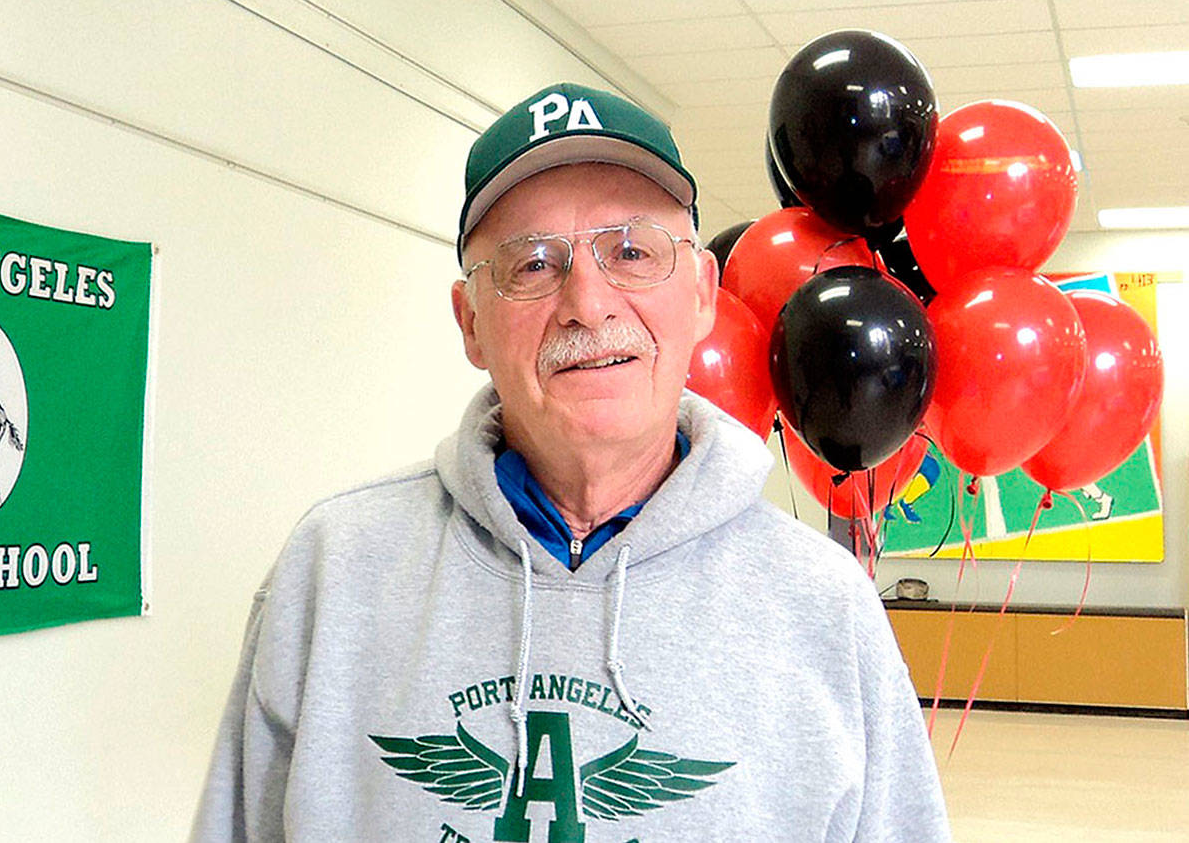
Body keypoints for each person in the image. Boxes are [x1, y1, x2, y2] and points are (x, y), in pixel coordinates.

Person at [191, 82, 950, 842]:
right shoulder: (334, 571)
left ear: (701, 296)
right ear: (471, 324)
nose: (587, 302)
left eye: (631, 252)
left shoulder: (824, 609)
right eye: (531, 265)